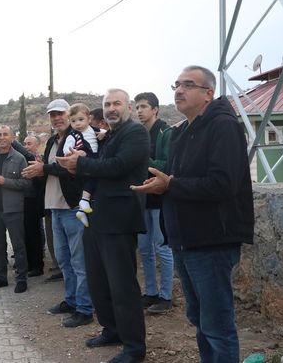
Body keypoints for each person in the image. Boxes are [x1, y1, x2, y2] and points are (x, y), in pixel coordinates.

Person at [132, 65, 254, 362]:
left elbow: (223, 183)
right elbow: (177, 181)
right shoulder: (183, 131)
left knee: (217, 326)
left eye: (188, 85)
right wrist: (161, 185)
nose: (179, 90)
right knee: (200, 321)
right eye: (176, 84)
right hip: (185, 239)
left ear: (208, 93)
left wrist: (170, 184)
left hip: (212, 241)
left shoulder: (223, 126)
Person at [57, 88, 149, 363]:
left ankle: (134, 347)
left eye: (116, 103)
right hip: (97, 216)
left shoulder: (135, 133)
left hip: (120, 219)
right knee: (99, 281)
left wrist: (81, 164)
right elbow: (99, 167)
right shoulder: (108, 135)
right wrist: (75, 166)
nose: (111, 108)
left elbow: (118, 166)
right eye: (107, 104)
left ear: (128, 107)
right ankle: (112, 330)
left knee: (122, 286)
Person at [21, 99, 94, 329]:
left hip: (72, 207)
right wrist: (37, 171)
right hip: (54, 207)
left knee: (79, 261)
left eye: (60, 114)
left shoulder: (78, 136)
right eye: (52, 115)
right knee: (63, 260)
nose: (57, 118)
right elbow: (51, 170)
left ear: (69, 114)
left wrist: (44, 168)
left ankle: (85, 309)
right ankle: (71, 301)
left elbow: (73, 168)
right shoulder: (53, 140)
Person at [134, 92, 174, 314]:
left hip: (160, 201)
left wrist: (141, 159)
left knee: (163, 248)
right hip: (142, 200)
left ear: (155, 109)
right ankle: (150, 293)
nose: (139, 110)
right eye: (137, 107)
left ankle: (166, 297)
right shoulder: (139, 133)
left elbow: (166, 165)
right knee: (145, 249)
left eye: (143, 106)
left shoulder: (165, 132)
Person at [0, 125, 30, 293]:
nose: (2, 137)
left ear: (12, 137)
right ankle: (1, 277)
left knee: (18, 246)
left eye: (5, 135)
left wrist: (5, 181)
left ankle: (22, 279)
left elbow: (26, 183)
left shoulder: (19, 158)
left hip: (13, 209)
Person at [63, 103, 101, 227]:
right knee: (91, 180)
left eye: (80, 119)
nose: (77, 124)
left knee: (93, 181)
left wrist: (103, 134)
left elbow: (106, 132)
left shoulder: (93, 130)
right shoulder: (73, 135)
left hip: (95, 159)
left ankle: (81, 210)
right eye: (73, 121)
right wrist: (73, 153)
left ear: (89, 119)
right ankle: (84, 201)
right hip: (85, 160)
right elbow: (66, 148)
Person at [21, 135, 46, 277]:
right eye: (24, 143)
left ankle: (37, 266)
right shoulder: (23, 160)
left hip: (33, 200)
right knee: (25, 234)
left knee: (34, 234)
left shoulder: (38, 160)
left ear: (37, 145)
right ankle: (29, 264)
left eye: (29, 143)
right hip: (23, 199)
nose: (26, 146)